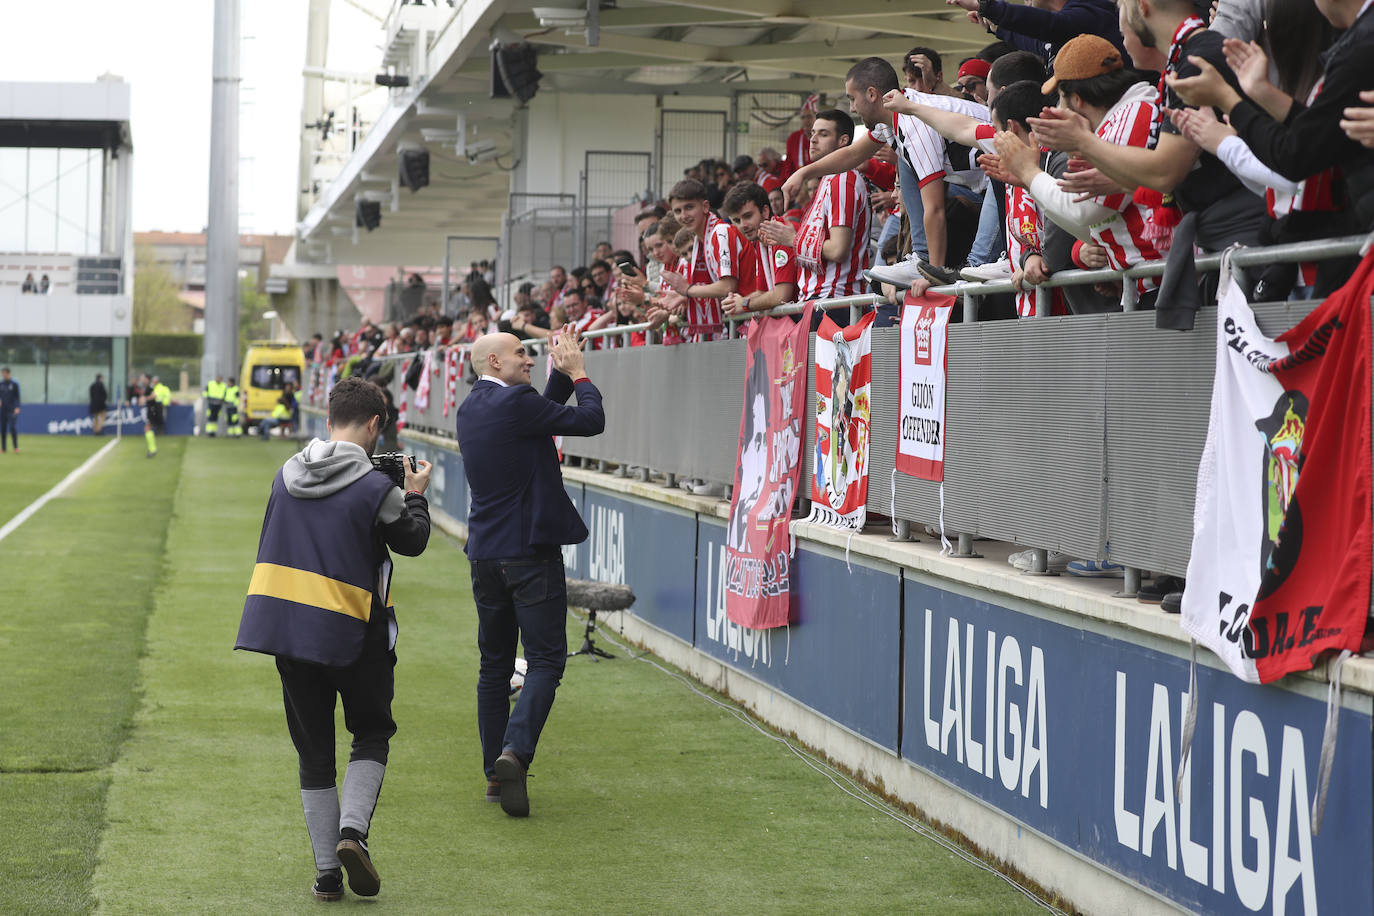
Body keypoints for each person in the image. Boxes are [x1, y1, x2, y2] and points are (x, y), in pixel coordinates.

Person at [235, 377, 432, 901]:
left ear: (327, 421)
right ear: (374, 425)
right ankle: (353, 834)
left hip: (288, 631)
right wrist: (414, 497)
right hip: (355, 631)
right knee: (370, 732)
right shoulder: (376, 488)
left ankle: (326, 875)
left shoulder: (285, 474)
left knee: (313, 752)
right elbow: (411, 542)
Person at [455, 330, 604, 818]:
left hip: (484, 555)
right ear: (494, 362)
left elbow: (535, 416)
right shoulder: (517, 405)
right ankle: (515, 752)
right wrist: (579, 372)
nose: (530, 358)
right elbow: (591, 420)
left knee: (494, 666)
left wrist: (557, 377)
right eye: (521, 352)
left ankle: (495, 777)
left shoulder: (472, 407)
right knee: (546, 661)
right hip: (529, 553)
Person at [144, 375, 171, 458]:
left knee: (148, 427)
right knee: (148, 427)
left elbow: (154, 396)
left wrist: (145, 398)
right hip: (155, 408)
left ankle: (152, 449)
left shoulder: (157, 387)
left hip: (155, 409)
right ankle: (152, 448)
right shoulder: (157, 387)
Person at [0, 367, 19, 453]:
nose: (3, 375)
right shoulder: (1, 384)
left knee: (12, 427)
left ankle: (15, 447)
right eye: (2, 373)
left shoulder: (14, 384)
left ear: (8, 373)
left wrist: (17, 407)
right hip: (2, 409)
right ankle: (3, 448)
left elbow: (17, 397)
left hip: (11, 409)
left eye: (4, 373)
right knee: (3, 429)